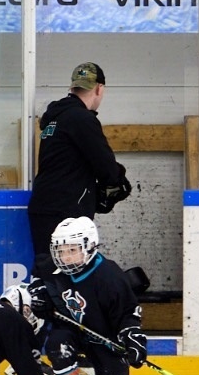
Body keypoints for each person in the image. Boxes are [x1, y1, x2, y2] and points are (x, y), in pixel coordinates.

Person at [40, 216, 166, 375]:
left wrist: (134, 341)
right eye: (60, 251)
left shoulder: (109, 277)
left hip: (107, 342)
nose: (65, 258)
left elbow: (128, 313)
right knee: (57, 344)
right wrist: (39, 293)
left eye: (72, 250)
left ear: (89, 246)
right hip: (76, 334)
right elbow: (40, 273)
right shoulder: (54, 267)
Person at [28, 62, 131, 277]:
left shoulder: (54, 119)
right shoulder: (81, 119)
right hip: (66, 210)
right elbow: (105, 166)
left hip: (44, 205)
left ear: (73, 87)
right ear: (99, 88)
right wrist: (118, 182)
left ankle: (41, 308)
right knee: (68, 273)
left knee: (47, 270)